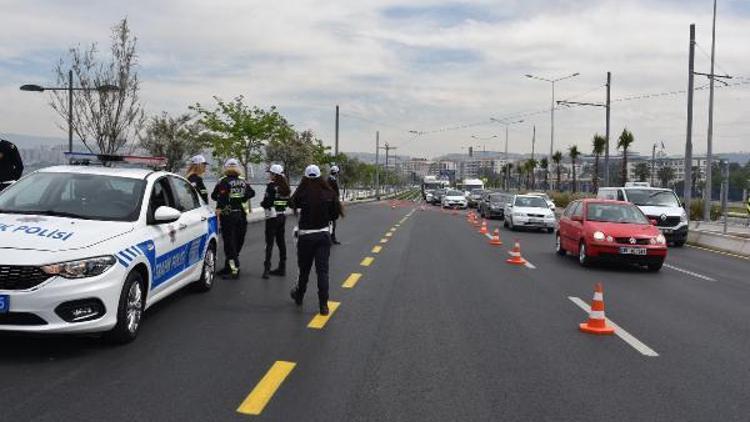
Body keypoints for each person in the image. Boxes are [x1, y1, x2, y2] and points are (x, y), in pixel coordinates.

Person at [289, 164, 343, 315]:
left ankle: (299, 296)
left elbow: (291, 202)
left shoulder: (302, 192)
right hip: (323, 236)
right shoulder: (329, 193)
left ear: (305, 177)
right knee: (323, 271)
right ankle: (324, 306)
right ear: (320, 176)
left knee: (304, 270)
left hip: (305, 237)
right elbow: (335, 215)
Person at [211, 158, 255, 279]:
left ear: (226, 168)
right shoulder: (243, 182)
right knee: (236, 242)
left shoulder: (223, 182)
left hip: (228, 215)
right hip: (241, 215)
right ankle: (228, 267)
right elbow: (252, 193)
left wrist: (223, 203)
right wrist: (241, 198)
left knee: (229, 244)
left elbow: (216, 197)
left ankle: (234, 269)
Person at [260, 164, 290, 279]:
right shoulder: (285, 187)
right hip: (282, 217)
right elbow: (288, 203)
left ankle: (266, 270)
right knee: (281, 243)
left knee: (269, 243)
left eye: (270, 173)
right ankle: (282, 268)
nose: (269, 175)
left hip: (272, 218)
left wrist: (262, 204)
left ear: (274, 174)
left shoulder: (271, 187)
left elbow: (267, 202)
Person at [327, 165, 342, 244]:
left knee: (330, 222)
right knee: (333, 222)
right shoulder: (332, 180)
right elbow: (335, 193)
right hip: (332, 204)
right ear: (336, 173)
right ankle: (332, 238)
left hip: (329, 203)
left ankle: (331, 238)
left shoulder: (328, 180)